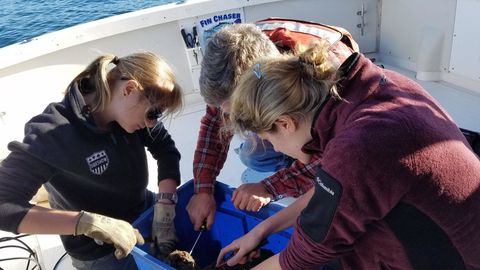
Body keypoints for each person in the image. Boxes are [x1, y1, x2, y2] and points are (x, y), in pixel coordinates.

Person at [217, 40, 480, 269]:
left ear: (285, 123)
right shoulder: (372, 86)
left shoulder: (358, 148)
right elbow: (331, 196)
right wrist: (262, 230)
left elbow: (302, 257)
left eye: (268, 140)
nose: (274, 150)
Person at [0, 52, 183, 270]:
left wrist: (165, 204)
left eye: (157, 116)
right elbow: (3, 204)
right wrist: (87, 224)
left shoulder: (129, 114)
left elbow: (165, 148)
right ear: (129, 90)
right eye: (152, 113)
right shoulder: (53, 132)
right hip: (99, 249)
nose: (152, 124)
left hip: (144, 214)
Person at [187, 20, 359, 231]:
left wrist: (271, 187)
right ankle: (293, 158)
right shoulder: (233, 66)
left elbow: (334, 158)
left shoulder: (331, 79)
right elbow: (215, 125)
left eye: (244, 112)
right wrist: (203, 189)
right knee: (253, 155)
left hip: (333, 117)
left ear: (264, 86)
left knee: (321, 166)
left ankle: (300, 162)